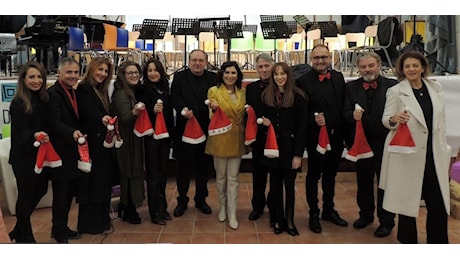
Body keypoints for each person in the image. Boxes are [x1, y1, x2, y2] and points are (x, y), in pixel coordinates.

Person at [380, 51, 451, 244]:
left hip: (433, 154)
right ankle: (408, 242)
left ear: (422, 68)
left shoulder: (435, 88)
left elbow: (441, 120)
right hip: (408, 155)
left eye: (415, 66)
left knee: (438, 203)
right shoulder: (396, 91)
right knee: (407, 203)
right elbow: (386, 119)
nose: (411, 69)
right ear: (402, 70)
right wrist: (394, 119)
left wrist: (444, 147)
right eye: (407, 66)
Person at [342, 52, 397, 238]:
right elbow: (344, 112)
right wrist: (351, 116)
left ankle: (386, 221)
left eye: (371, 65)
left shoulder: (392, 86)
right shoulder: (350, 88)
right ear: (358, 68)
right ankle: (365, 215)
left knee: (385, 183)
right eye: (363, 66)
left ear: (379, 65)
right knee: (363, 181)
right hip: (361, 142)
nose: (367, 69)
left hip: (385, 142)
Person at [295, 44, 348, 233]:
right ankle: (313, 213)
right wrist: (313, 119)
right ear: (311, 59)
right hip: (315, 138)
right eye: (317, 58)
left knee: (330, 176)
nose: (320, 61)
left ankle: (328, 209)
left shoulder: (338, 77)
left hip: (336, 137)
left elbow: (343, 105)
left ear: (329, 58)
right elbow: (299, 113)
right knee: (313, 176)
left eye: (324, 57)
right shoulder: (302, 81)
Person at [259, 62, 308, 236]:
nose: (279, 77)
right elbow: (262, 124)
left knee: (289, 187)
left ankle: (289, 220)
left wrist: (298, 155)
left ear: (288, 75)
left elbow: (302, 128)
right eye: (276, 74)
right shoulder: (267, 96)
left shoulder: (298, 96)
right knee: (275, 187)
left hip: (290, 150)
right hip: (273, 150)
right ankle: (278, 220)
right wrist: (263, 125)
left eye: (283, 74)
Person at [8, 61, 54, 243]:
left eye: (39, 77)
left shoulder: (44, 99)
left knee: (41, 189)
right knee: (26, 195)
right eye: (32, 77)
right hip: (23, 158)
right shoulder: (19, 102)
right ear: (23, 79)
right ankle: (26, 237)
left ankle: (18, 230)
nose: (36, 81)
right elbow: (19, 133)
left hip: (41, 157)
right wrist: (35, 135)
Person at [170, 49, 217, 217]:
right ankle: (182, 200)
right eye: (194, 60)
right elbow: (174, 97)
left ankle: (201, 199)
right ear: (189, 61)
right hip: (184, 129)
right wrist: (183, 110)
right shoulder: (179, 77)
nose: (197, 63)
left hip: (206, 130)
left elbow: (217, 98)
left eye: (201, 60)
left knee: (203, 167)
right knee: (183, 168)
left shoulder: (213, 78)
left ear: (206, 62)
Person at [75, 57, 115, 234]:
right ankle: (91, 224)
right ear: (91, 69)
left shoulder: (102, 90)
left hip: (102, 143)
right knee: (91, 185)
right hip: (91, 142)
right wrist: (102, 118)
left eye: (105, 71)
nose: (103, 74)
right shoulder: (84, 89)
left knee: (102, 183)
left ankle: (102, 220)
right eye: (100, 70)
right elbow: (88, 111)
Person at [204, 61, 246, 230]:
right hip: (220, 138)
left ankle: (232, 212)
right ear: (222, 74)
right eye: (227, 72)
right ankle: (222, 207)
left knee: (233, 178)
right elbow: (211, 115)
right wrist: (214, 109)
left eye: (233, 73)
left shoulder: (243, 93)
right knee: (220, 177)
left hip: (237, 139)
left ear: (238, 75)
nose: (230, 76)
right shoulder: (214, 91)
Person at [47, 57, 84, 243]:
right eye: (69, 72)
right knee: (61, 194)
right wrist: (72, 132)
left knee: (68, 193)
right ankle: (59, 232)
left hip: (72, 150)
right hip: (60, 151)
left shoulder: (72, 92)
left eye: (76, 72)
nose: (73, 76)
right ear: (59, 73)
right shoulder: (53, 94)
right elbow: (53, 123)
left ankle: (60, 227)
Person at [137, 59, 174, 225]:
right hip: (151, 136)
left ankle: (163, 207)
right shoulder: (143, 89)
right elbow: (142, 112)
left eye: (155, 70)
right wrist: (152, 110)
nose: (152, 73)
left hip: (165, 136)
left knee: (163, 172)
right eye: (149, 70)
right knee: (153, 174)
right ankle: (155, 212)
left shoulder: (165, 88)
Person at [111, 61, 145, 225]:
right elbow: (125, 118)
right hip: (126, 141)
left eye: (136, 72)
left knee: (132, 172)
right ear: (122, 76)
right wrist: (136, 112)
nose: (134, 75)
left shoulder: (132, 91)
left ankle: (126, 207)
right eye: (130, 73)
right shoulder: (121, 94)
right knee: (129, 172)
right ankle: (129, 208)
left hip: (132, 139)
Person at [245, 53, 273, 221]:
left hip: (276, 137)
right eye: (260, 67)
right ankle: (257, 206)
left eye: (266, 66)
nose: (263, 70)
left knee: (275, 175)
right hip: (259, 137)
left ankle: (273, 203)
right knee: (258, 174)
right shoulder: (251, 88)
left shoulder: (280, 85)